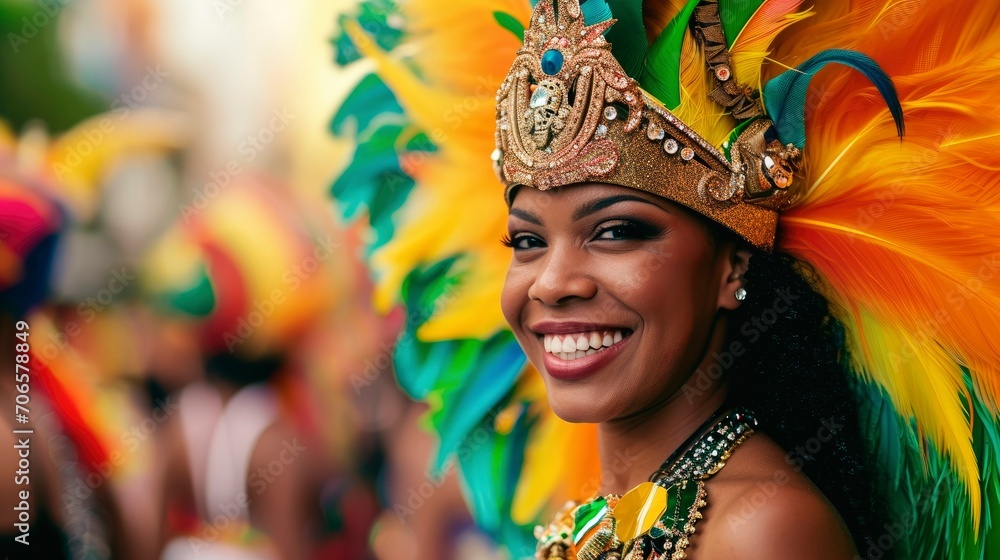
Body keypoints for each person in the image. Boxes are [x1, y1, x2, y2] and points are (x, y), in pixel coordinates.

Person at [331, 0, 1000, 558]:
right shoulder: (606, 515)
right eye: (528, 241)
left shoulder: (762, 529)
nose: (552, 282)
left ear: (732, 265)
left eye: (617, 231)